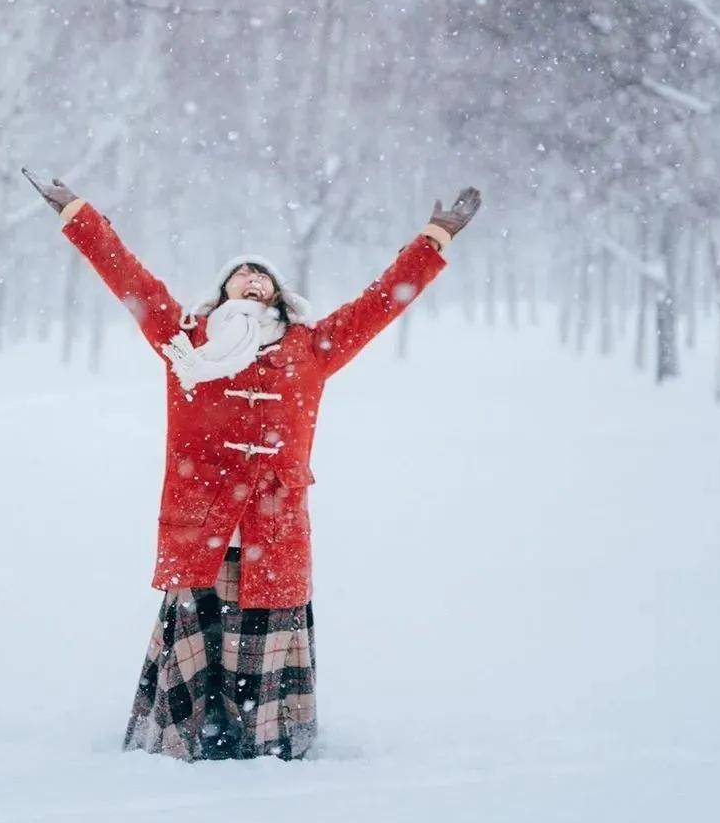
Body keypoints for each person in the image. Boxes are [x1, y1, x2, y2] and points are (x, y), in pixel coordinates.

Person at [33, 177, 482, 761]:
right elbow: (129, 278)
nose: (252, 276)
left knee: (264, 632)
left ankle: (264, 737)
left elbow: (378, 303)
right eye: (240, 272)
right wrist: (78, 214)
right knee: (202, 631)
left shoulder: (313, 348)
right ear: (220, 292)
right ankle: (194, 732)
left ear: (278, 295)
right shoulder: (183, 342)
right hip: (202, 519)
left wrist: (434, 239)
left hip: (274, 521)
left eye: (262, 274)